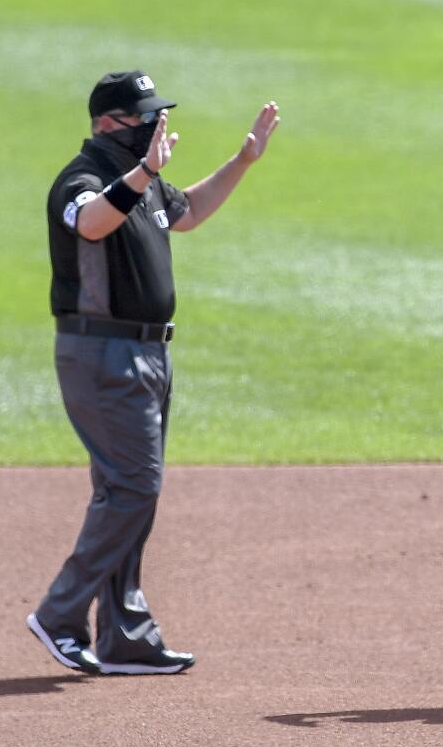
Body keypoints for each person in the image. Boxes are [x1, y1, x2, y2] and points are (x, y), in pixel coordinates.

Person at [28, 70, 280, 675]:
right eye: (142, 118)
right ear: (108, 123)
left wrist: (242, 160)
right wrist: (142, 174)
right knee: (135, 489)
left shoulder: (143, 184)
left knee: (126, 495)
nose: (153, 126)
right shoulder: (83, 179)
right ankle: (60, 616)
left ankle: (125, 636)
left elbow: (187, 213)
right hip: (102, 354)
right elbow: (89, 221)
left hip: (146, 355)